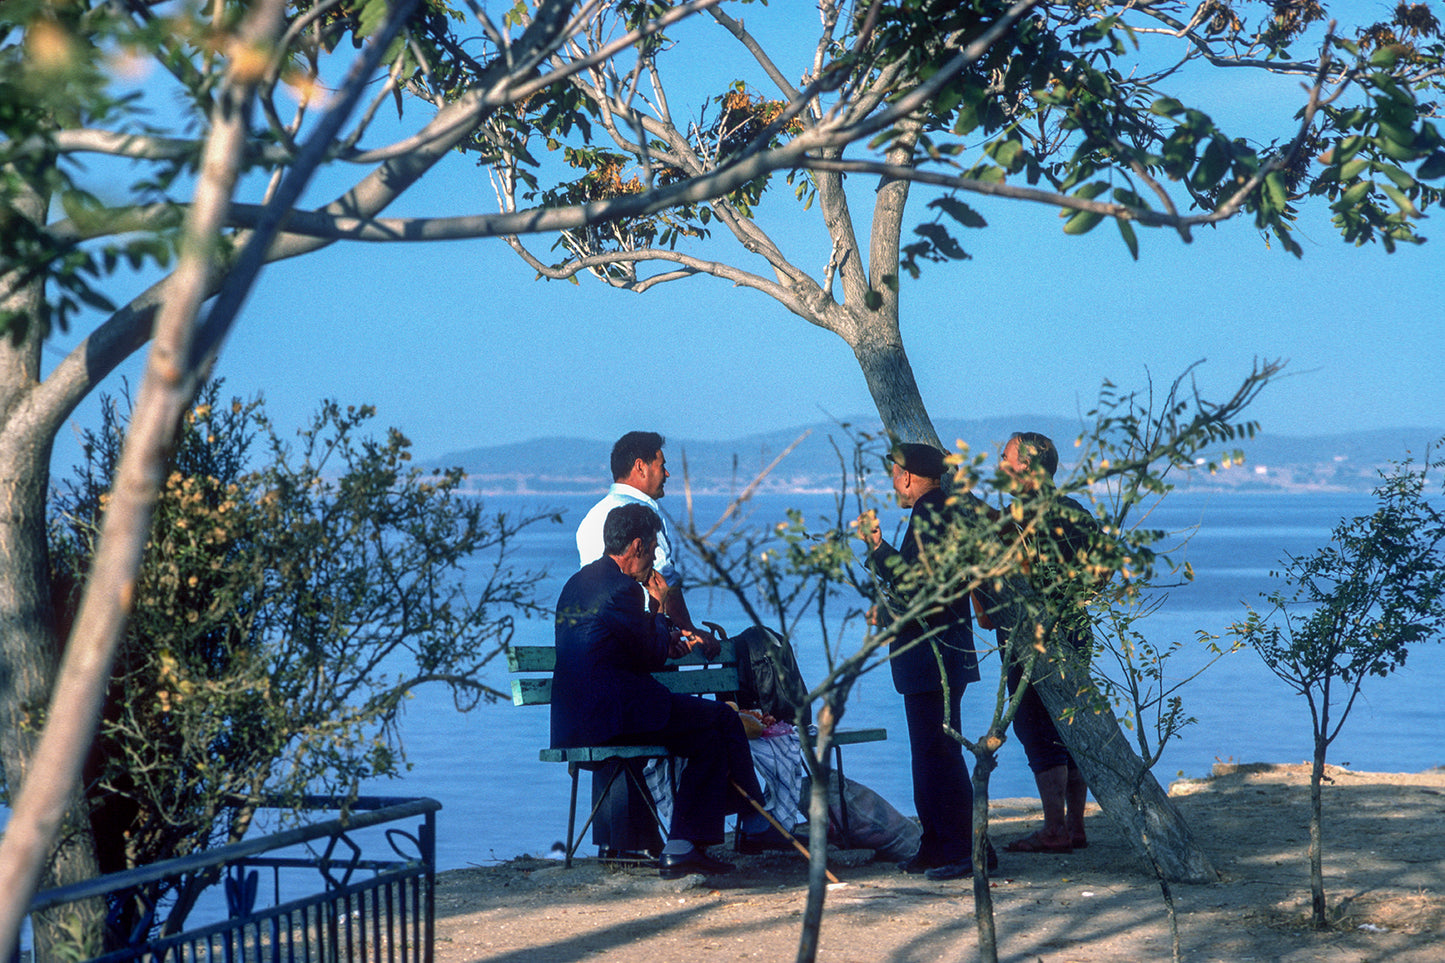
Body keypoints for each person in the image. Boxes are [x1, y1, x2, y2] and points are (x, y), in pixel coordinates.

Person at [552, 503, 763, 879]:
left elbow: (630, 644)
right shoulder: (623, 590)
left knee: (710, 734)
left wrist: (660, 632)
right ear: (636, 546)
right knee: (720, 720)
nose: (651, 560)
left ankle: (689, 844)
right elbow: (650, 655)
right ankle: (752, 821)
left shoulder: (578, 582)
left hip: (578, 717)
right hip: (613, 717)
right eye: (650, 550)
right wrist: (662, 607)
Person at [856, 442, 985, 881]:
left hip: (932, 655)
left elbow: (918, 588)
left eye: (894, 472)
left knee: (938, 756)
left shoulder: (930, 516)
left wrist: (877, 548)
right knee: (931, 754)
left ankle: (964, 849)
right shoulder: (943, 511)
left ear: (906, 475)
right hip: (943, 653)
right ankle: (937, 845)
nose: (893, 481)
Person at [991, 431, 1099, 855]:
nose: (999, 466)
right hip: (1075, 627)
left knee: (1038, 729)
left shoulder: (1014, 521)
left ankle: (1054, 828)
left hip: (1028, 635)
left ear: (1027, 467)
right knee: (1071, 724)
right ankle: (1075, 825)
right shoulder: (1076, 512)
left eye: (1005, 458)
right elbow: (1101, 573)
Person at [576, 430, 718, 657]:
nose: (667, 474)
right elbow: (662, 577)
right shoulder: (643, 514)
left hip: (604, 638)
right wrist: (688, 630)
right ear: (641, 467)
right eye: (662, 466)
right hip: (646, 637)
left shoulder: (590, 517)